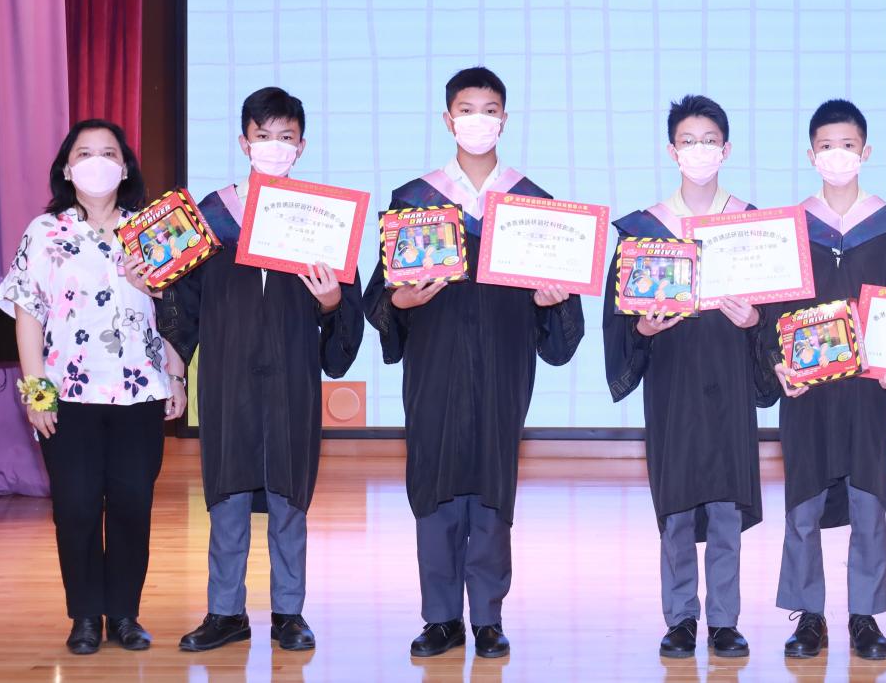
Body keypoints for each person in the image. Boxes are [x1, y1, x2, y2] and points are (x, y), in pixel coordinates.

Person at [362, 67, 584, 660]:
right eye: (466, 109)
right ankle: (440, 618)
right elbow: (383, 291)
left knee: (492, 484)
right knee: (433, 482)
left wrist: (553, 301)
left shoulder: (532, 203)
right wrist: (400, 302)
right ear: (447, 118)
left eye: (489, 110)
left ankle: (487, 616)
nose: (477, 120)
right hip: (434, 365)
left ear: (504, 119)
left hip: (504, 363)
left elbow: (560, 305)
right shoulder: (414, 201)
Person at [158, 88, 365, 652]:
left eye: (286, 137)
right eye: (264, 136)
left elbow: (344, 309)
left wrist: (330, 304)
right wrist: (175, 371)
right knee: (226, 495)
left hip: (293, 375)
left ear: (302, 145)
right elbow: (180, 301)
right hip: (227, 377)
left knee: (288, 496)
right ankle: (225, 612)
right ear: (244, 141)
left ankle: (288, 613)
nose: (275, 146)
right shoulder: (212, 216)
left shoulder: (322, 219)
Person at [0, 120, 187, 654]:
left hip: (140, 392)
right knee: (77, 507)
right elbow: (28, 315)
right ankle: (84, 615)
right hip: (68, 396)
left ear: (125, 168)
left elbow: (176, 314)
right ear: (67, 168)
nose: (97, 162)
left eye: (109, 152)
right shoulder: (44, 232)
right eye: (85, 153)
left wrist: (176, 376)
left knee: (132, 504)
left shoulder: (153, 230)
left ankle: (124, 613)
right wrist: (36, 395)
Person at [754, 100, 886, 660]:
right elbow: (771, 314)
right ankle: (808, 616)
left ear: (865, 152)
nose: (837, 155)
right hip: (807, 392)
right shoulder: (787, 230)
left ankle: (864, 615)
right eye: (826, 146)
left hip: (868, 391)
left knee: (868, 501)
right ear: (811, 155)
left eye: (847, 145)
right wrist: (776, 364)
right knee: (803, 502)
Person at [602, 95, 762, 660]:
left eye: (709, 140)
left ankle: (724, 621)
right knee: (675, 508)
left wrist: (756, 321)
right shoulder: (643, 231)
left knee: (725, 507)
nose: (699, 150)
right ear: (673, 151)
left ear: (726, 149)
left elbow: (773, 311)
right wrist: (641, 328)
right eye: (688, 141)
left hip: (729, 381)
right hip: (672, 385)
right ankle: (680, 619)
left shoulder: (751, 227)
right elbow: (620, 319)